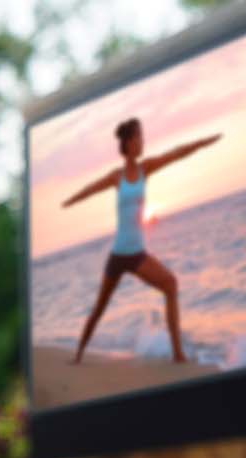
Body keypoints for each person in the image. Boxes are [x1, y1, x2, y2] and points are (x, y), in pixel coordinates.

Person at [61, 118, 222, 364]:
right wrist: (70, 201)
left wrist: (203, 143)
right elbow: (91, 188)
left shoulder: (146, 168)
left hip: (137, 255)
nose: (142, 141)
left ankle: (178, 354)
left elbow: (176, 154)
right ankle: (78, 355)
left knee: (170, 284)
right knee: (99, 308)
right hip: (117, 255)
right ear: (128, 142)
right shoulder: (116, 177)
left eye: (142, 137)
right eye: (139, 137)